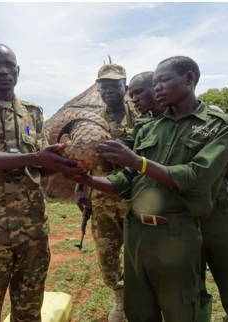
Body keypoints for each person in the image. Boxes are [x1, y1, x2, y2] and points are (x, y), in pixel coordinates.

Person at [67, 56, 228, 322]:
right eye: (155, 82)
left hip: (176, 231)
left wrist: (137, 161)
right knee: (140, 308)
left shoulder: (220, 125)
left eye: (163, 81)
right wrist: (83, 178)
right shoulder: (147, 127)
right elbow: (125, 179)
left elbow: (196, 178)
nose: (157, 88)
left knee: (181, 307)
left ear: (189, 79)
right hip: (136, 230)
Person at [0, 44, 83, 322]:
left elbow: (39, 166)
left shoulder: (32, 113)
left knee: (30, 307)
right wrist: (35, 156)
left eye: (9, 65)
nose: (2, 71)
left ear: (18, 70)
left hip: (31, 227)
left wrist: (64, 166)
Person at [128, 73, 228, 321]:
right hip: (179, 218)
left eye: (140, 92)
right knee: (189, 285)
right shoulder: (146, 126)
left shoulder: (210, 118)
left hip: (215, 210)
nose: (135, 99)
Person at [74, 63, 138, 322]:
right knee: (107, 257)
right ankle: (120, 298)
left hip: (138, 200)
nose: (109, 90)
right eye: (104, 86)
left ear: (125, 88)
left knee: (140, 256)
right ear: (98, 89)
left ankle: (141, 301)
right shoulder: (90, 122)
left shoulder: (143, 116)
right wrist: (80, 187)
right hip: (101, 201)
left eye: (115, 85)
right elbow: (83, 157)